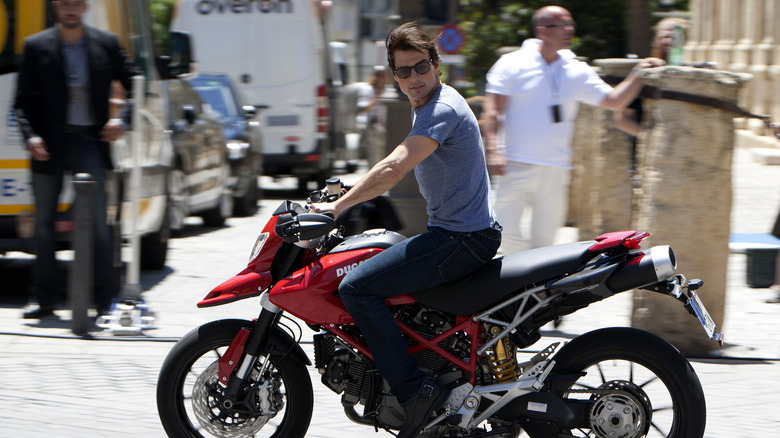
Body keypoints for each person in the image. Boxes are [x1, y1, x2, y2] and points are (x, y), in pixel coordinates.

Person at [312, 22, 500, 438]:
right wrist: (344, 189)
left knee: (356, 288)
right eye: (403, 71)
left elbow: (395, 167)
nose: (413, 78)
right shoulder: (431, 105)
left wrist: (339, 208)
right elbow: (389, 164)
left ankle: (414, 392)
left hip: (461, 239)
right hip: (463, 234)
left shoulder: (441, 109)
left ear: (436, 66)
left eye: (420, 67)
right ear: (393, 76)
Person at [483, 5, 664, 254]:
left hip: (557, 168)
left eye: (570, 25)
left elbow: (614, 101)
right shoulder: (512, 63)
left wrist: (639, 73)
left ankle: (534, 287)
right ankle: (516, 267)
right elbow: (492, 110)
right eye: (562, 25)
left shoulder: (574, 68)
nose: (569, 30)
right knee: (501, 233)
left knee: (546, 243)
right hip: (514, 163)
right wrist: (493, 150)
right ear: (543, 30)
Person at [14, 0, 137, 319]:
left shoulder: (106, 44)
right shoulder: (36, 45)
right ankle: (43, 298)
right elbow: (21, 102)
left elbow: (135, 85)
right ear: (56, 7)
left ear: (84, 8)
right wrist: (31, 137)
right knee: (43, 224)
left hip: (89, 142)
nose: (71, 9)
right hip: (48, 144)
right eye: (65, 3)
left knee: (98, 222)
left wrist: (122, 119)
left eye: (76, 4)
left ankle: (105, 298)